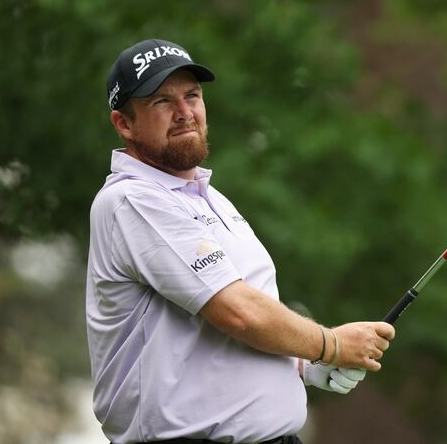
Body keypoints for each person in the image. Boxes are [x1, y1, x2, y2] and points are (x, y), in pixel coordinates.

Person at [86, 38, 395, 444]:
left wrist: (303, 362)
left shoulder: (210, 199)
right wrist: (330, 344)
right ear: (124, 123)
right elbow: (238, 314)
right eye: (162, 101)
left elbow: (238, 317)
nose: (184, 113)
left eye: (192, 96)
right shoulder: (133, 200)